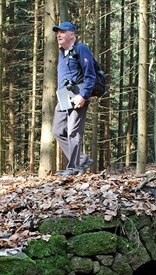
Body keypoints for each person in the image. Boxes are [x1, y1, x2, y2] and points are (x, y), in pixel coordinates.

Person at [52, 21, 95, 176]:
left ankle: (73, 168)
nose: (59, 34)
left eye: (63, 32)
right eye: (57, 32)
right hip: (63, 96)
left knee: (73, 132)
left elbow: (90, 75)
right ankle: (81, 160)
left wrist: (83, 96)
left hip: (78, 96)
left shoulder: (81, 49)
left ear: (72, 34)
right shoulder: (61, 54)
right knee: (57, 130)